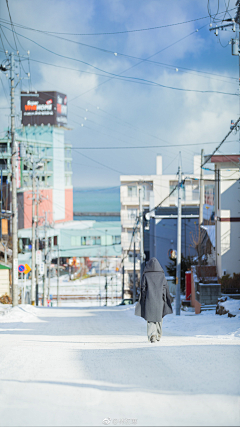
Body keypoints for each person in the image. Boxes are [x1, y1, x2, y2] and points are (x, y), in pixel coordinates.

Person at [135, 257, 173, 343]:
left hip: (149, 299)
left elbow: (143, 288)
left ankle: (152, 335)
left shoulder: (146, 275)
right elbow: (165, 288)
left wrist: (144, 298)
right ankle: (158, 335)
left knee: (150, 318)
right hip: (160, 299)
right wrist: (164, 298)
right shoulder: (162, 275)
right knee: (159, 317)